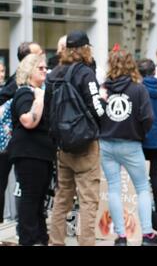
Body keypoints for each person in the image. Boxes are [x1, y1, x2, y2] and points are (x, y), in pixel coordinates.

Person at [99, 50, 157, 246]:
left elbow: (96, 113)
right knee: (142, 188)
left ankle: (121, 237)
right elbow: (147, 118)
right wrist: (140, 133)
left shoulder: (103, 89)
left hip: (106, 144)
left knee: (113, 189)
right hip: (131, 143)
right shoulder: (138, 90)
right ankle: (147, 235)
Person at [45, 30, 105, 246]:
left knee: (62, 198)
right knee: (88, 200)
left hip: (63, 148)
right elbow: (97, 107)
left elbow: (47, 111)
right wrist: (101, 124)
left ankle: (56, 242)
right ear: (85, 48)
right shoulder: (85, 73)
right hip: (85, 145)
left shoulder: (54, 74)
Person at [8, 54, 56, 245]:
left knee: (38, 199)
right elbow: (28, 121)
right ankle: (28, 239)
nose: (45, 71)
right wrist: (39, 99)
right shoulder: (25, 93)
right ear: (29, 72)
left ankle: (39, 237)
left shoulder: (39, 92)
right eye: (40, 68)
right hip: (29, 154)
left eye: (45, 68)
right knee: (31, 197)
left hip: (41, 154)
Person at [0, 42, 44, 225]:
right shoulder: (19, 87)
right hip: (10, 142)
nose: (41, 58)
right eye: (37, 55)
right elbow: (27, 120)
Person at [138, 59, 157, 232]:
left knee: (140, 177)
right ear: (155, 71)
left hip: (141, 136)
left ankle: (144, 210)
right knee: (155, 172)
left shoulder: (138, 88)